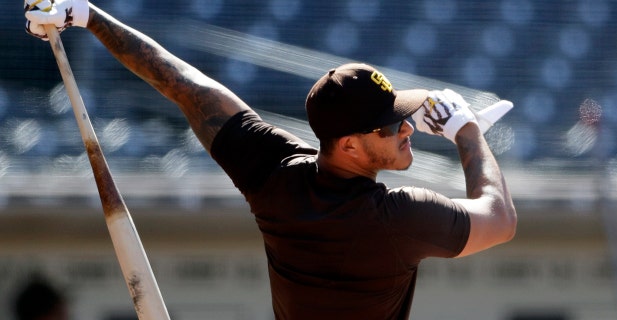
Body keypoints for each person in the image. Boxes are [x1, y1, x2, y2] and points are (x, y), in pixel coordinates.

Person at [24, 1, 517, 319]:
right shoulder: (395, 218)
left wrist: (89, 17)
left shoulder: (275, 173)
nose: (407, 128)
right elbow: (500, 218)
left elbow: (181, 83)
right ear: (347, 145)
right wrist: (467, 133)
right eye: (392, 126)